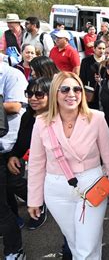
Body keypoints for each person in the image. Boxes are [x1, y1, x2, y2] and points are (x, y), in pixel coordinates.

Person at [27, 71, 109, 260]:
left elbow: (107, 155)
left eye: (77, 89)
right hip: (56, 189)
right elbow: (36, 163)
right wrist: (34, 199)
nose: (72, 94)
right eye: (65, 89)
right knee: (75, 242)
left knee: (87, 245)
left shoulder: (97, 118)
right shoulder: (41, 122)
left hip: (91, 184)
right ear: (55, 93)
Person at [6, 78, 52, 231]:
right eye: (29, 93)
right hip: (30, 163)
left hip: (54, 167)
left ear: (50, 95)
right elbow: (21, 141)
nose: (33, 98)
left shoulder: (57, 119)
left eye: (39, 94)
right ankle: (38, 201)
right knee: (12, 180)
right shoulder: (27, 116)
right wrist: (13, 155)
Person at [0, 60, 28, 260]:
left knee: (13, 187)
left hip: (7, 145)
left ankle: (14, 250)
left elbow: (16, 106)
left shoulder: (11, 75)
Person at [79, 40, 105, 110]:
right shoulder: (86, 61)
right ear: (94, 48)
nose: (101, 51)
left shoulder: (107, 62)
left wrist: (101, 81)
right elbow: (82, 77)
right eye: (99, 48)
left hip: (103, 93)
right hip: (90, 92)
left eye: (103, 49)